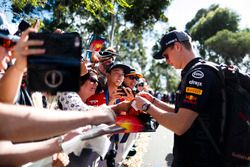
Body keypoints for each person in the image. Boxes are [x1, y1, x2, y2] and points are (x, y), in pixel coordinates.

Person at [134, 30, 223, 167]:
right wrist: (153, 101)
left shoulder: (198, 74)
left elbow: (180, 125)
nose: (167, 61)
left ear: (177, 46)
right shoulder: (195, 71)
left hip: (199, 160)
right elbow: (181, 111)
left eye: (166, 55)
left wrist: (147, 107)